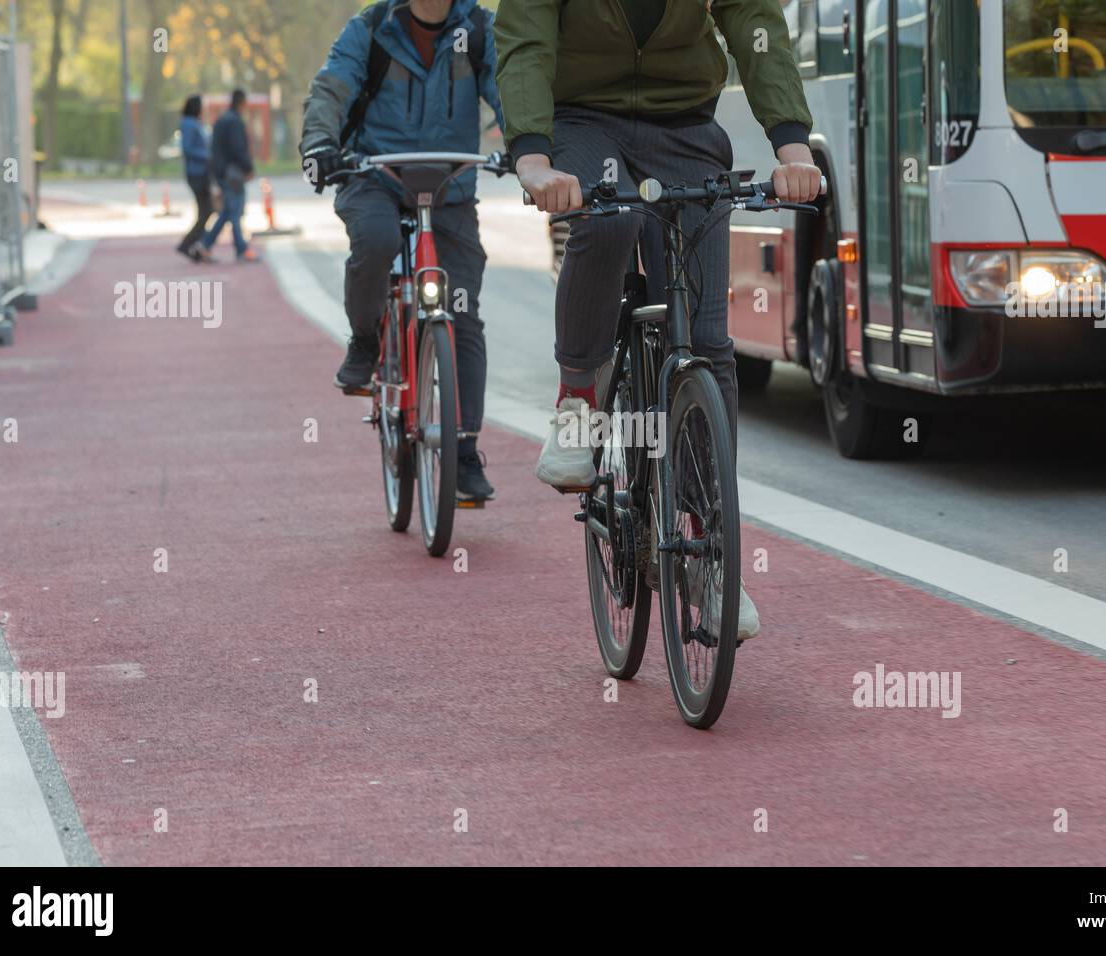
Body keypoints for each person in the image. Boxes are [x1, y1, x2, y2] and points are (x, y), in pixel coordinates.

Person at [495, 0, 822, 640]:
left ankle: (711, 554)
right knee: (608, 219)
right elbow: (526, 39)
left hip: (685, 128)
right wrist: (533, 157)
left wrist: (793, 146)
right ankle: (580, 400)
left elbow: (756, 25)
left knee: (706, 344)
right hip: (584, 123)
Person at [300, 0, 504, 502]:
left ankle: (464, 448)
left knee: (462, 313)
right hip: (375, 178)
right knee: (377, 241)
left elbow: (512, 90)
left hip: (448, 186)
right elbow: (332, 86)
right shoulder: (370, 30)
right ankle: (366, 341)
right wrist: (320, 143)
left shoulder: (477, 30)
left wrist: (532, 143)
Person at [201, 89, 258, 263]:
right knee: (235, 211)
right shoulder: (234, 122)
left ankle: (205, 245)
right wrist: (248, 167)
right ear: (242, 103)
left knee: (227, 212)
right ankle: (242, 249)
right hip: (232, 173)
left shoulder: (221, 120)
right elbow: (238, 149)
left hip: (221, 172)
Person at [176, 95, 215, 263]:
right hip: (196, 173)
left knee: (205, 211)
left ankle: (199, 248)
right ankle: (188, 244)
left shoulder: (194, 123)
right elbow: (188, 148)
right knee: (207, 211)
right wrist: (207, 156)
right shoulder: (189, 124)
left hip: (201, 172)